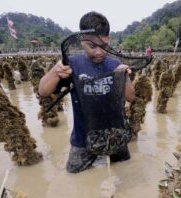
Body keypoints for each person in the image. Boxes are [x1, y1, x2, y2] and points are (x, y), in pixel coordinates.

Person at [39, 11, 135, 174]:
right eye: (92, 46)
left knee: (124, 168)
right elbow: (43, 91)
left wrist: (122, 76)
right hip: (82, 138)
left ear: (109, 39)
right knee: (73, 174)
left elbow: (131, 97)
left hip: (114, 133)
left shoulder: (115, 64)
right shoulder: (71, 64)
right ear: (82, 42)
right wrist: (55, 71)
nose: (99, 52)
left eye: (104, 46)